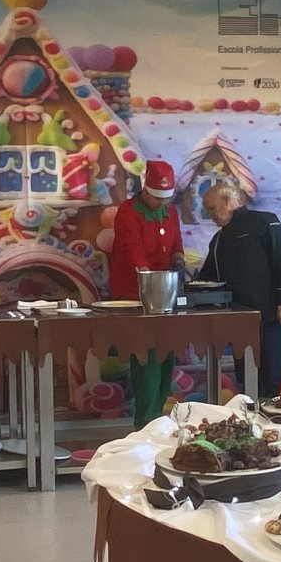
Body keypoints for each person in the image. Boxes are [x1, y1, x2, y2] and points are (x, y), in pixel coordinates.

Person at [197, 184, 281, 400]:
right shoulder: (218, 240)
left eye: (212, 208)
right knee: (246, 380)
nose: (210, 215)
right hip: (238, 322)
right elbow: (207, 278)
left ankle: (276, 420)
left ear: (227, 200)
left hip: (268, 317)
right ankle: (252, 418)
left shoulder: (264, 221)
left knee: (272, 377)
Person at [108, 160, 185, 426]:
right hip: (134, 294)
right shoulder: (128, 212)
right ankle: (146, 421)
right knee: (147, 357)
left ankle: (159, 416)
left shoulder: (171, 212)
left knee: (166, 354)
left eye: (166, 197)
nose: (161, 202)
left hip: (166, 293)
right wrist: (149, 279)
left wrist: (179, 260)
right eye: (156, 197)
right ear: (145, 190)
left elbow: (176, 244)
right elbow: (134, 253)